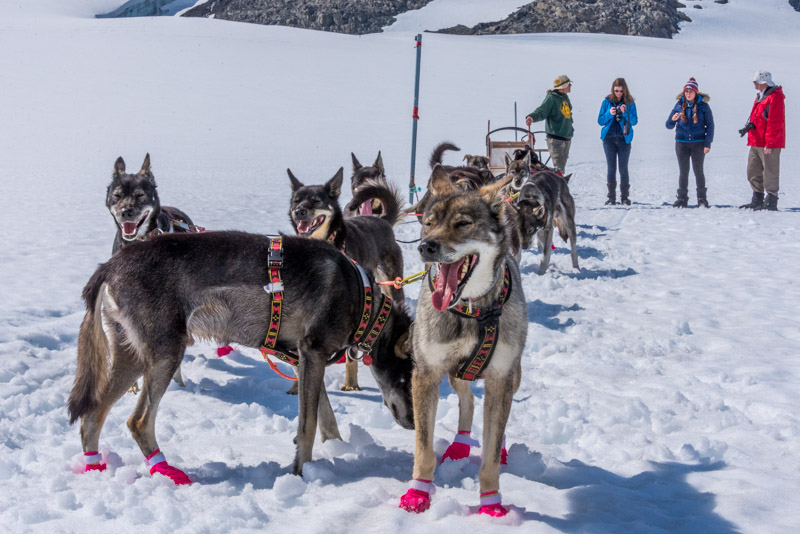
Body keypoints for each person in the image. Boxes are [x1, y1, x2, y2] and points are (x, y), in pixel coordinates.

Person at [740, 70, 786, 211]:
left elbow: (775, 122)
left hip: (768, 143)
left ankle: (771, 200)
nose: (754, 84)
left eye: (755, 82)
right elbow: (759, 117)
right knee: (753, 170)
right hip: (756, 140)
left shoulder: (775, 97)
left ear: (763, 82)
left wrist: (770, 143)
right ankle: (757, 199)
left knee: (770, 171)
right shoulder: (761, 96)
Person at [665, 77, 714, 208]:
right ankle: (682, 198)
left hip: (698, 143)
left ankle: (702, 199)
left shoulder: (704, 106)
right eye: (686, 91)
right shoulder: (679, 105)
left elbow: (710, 126)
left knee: (699, 171)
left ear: (696, 92)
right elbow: (668, 125)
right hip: (681, 143)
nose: (688, 94)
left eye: (691, 91)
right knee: (683, 171)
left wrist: (707, 143)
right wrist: (673, 119)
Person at [598, 78, 638, 205]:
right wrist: (610, 114)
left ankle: (625, 197)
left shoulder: (630, 102)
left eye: (621, 91)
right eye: (616, 91)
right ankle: (611, 197)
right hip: (609, 138)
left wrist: (625, 113)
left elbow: (635, 120)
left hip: (623, 139)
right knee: (611, 168)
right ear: (613, 90)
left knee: (623, 168)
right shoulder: (607, 101)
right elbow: (600, 121)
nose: (619, 93)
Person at [526, 75, 574, 174]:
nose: (570, 86)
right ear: (563, 86)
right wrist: (532, 117)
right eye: (569, 84)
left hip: (566, 138)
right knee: (559, 170)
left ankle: (558, 186)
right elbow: (542, 111)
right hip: (555, 139)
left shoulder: (565, 98)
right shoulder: (551, 98)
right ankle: (559, 188)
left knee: (561, 169)